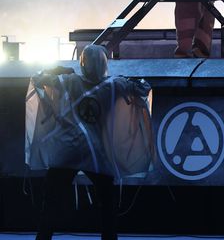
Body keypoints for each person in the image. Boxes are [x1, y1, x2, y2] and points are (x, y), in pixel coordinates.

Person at [26, 44, 153, 240]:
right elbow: (143, 88)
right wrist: (126, 79)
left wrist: (58, 70)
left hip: (65, 152)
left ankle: (43, 238)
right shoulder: (114, 85)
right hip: (95, 153)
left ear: (82, 63)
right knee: (107, 205)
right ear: (104, 63)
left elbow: (37, 78)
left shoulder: (65, 80)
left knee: (51, 205)